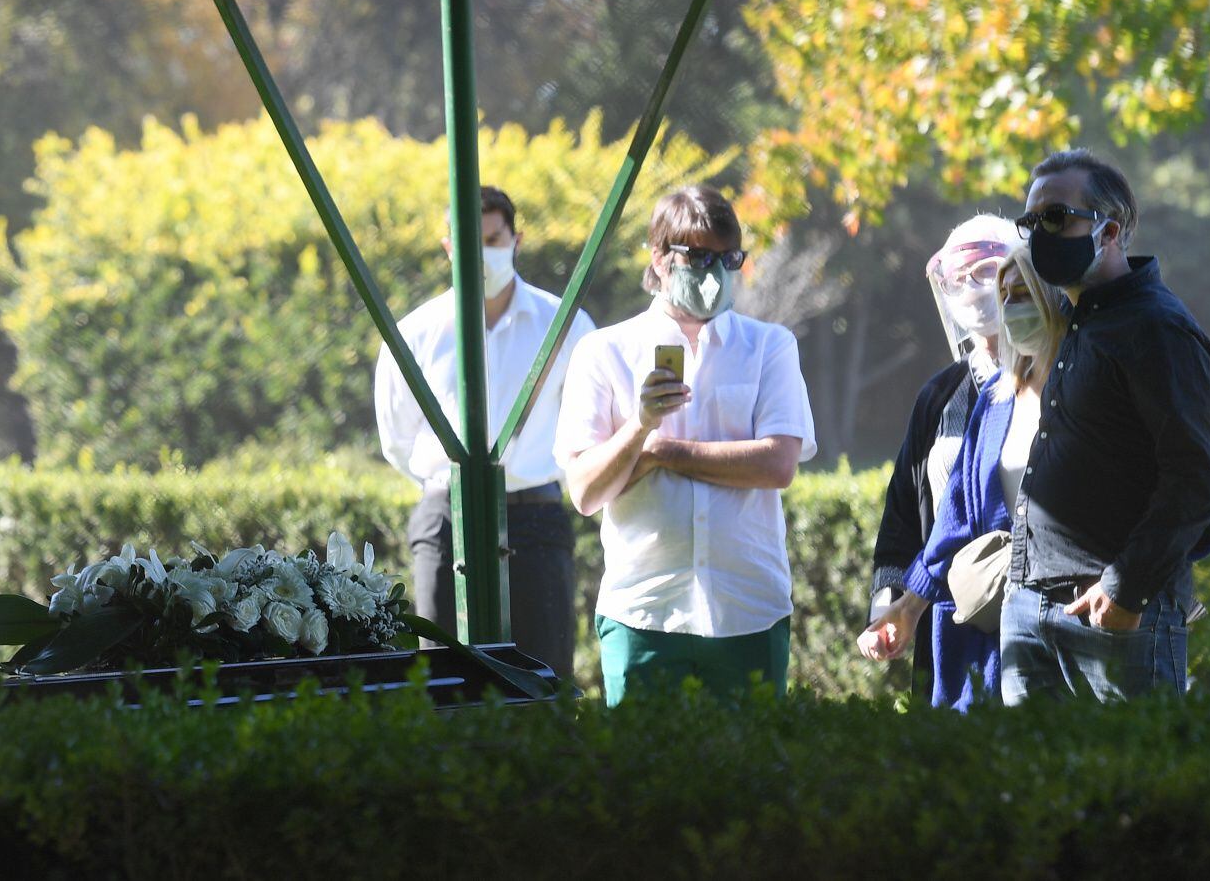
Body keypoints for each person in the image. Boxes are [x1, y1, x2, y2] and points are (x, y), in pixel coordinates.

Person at [555, 185, 815, 704]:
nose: (714, 272)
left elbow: (778, 463)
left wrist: (660, 454)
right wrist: (641, 426)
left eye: (727, 258)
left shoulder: (768, 346)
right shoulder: (605, 350)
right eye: (698, 257)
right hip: (644, 610)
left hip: (747, 608)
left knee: (753, 776)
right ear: (659, 257)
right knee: (641, 778)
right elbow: (584, 492)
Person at [1001, 148, 1210, 703]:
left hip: (1117, 620)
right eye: (1031, 222)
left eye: (1056, 217)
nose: (1039, 234)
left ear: (1109, 232)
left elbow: (1194, 481)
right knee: (1025, 790)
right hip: (1030, 610)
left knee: (1135, 789)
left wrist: (1126, 590)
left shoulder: (1158, 328)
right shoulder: (1078, 321)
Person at [374, 185, 595, 681]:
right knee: (441, 677)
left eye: (494, 240)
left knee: (545, 678)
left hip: (535, 512)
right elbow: (398, 438)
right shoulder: (416, 333)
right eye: (470, 242)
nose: (484, 255)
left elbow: (586, 424)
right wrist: (440, 488)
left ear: (517, 240)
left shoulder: (565, 325)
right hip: (444, 517)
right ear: (447, 245)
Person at [859, 248, 1065, 709]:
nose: (1008, 305)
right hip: (979, 621)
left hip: (1070, 624)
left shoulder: (1085, 385)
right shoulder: (988, 398)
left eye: (1021, 293)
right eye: (1006, 295)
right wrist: (905, 608)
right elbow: (948, 521)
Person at [860, 215, 1011, 699]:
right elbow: (903, 515)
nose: (971, 288)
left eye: (986, 271)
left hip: (1029, 619)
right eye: (957, 278)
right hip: (942, 622)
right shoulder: (940, 395)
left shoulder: (1056, 379)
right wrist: (889, 604)